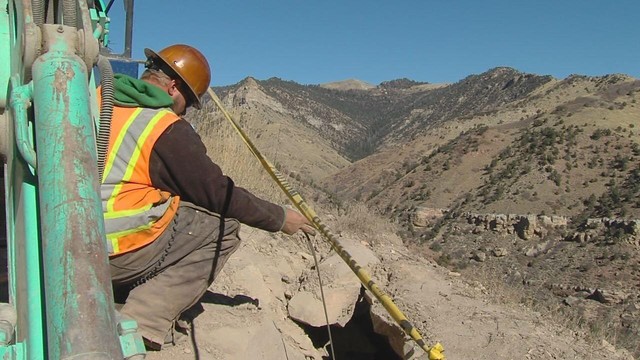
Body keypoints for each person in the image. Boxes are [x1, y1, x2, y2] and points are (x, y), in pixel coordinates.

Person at [101, 44, 314, 350]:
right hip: (111, 252)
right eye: (187, 101)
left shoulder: (95, 99)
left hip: (54, 241)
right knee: (222, 228)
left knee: (175, 206)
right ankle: (143, 321)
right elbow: (217, 193)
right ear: (174, 87)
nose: (185, 111)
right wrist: (280, 218)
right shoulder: (164, 127)